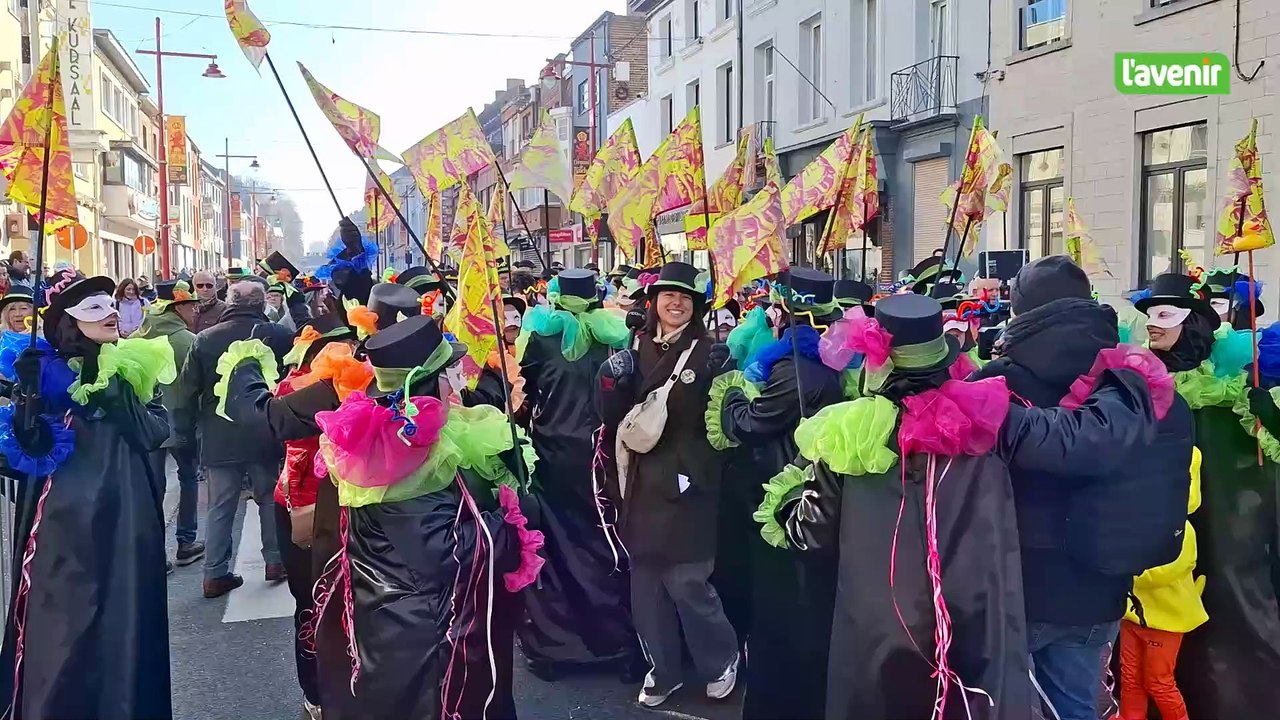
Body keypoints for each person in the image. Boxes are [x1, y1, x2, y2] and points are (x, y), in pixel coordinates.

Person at [772, 293, 1172, 720]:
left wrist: (791, 499)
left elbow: (809, 534)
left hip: (880, 630)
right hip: (975, 623)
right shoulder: (989, 417)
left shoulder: (843, 435)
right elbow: (1086, 439)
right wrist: (1126, 376)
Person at [972, 257, 1195, 720]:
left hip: (1019, 589)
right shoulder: (1134, 379)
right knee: (1077, 706)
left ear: (1020, 312)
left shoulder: (994, 385)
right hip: (1103, 584)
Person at [0, 268, 175, 719]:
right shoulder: (43, 372)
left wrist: (120, 398)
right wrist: (28, 408)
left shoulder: (132, 366)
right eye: (93, 308)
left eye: (111, 303)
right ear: (68, 322)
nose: (111, 313)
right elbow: (25, 454)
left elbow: (156, 431)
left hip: (128, 511)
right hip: (66, 521)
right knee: (67, 622)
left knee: (126, 615)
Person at [1133, 271, 1280, 719]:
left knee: (1228, 607)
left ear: (1193, 321)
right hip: (1165, 527)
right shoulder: (1139, 379)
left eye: (1165, 314)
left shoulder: (1232, 383)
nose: (1152, 324)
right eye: (1150, 315)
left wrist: (1266, 410)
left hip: (1230, 524)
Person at [707, 267, 846, 720]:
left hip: (782, 499)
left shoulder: (798, 368)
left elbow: (749, 424)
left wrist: (729, 390)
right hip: (808, 496)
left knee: (781, 610)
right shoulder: (827, 360)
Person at [598, 262, 739, 707]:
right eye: (667, 295)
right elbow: (612, 418)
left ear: (695, 306)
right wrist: (609, 381)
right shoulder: (634, 346)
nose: (675, 303)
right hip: (638, 480)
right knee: (647, 587)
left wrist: (723, 372)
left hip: (687, 484)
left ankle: (720, 660)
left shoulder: (708, 351)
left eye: (685, 297)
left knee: (688, 582)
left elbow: (720, 428)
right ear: (653, 302)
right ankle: (664, 669)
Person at [517, 269, 641, 682]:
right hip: (602, 456)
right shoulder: (617, 335)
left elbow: (523, 391)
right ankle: (618, 642)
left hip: (555, 457)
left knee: (555, 549)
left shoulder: (540, 337)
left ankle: (557, 645)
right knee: (606, 543)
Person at [174, 280, 294, 598]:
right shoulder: (280, 336)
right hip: (266, 426)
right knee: (270, 498)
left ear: (229, 301)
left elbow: (187, 391)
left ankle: (214, 573)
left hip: (219, 432)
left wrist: (184, 433)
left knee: (220, 504)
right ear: (261, 303)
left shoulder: (205, 339)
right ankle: (276, 561)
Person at [1117, 448, 1206, 720]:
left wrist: (1120, 572)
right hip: (1133, 616)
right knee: (1129, 677)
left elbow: (1163, 573)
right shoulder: (1132, 523)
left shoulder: (1181, 531)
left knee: (1158, 681)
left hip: (1166, 621)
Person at [138, 280, 205, 569]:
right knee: (188, 478)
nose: (195, 310)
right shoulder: (188, 341)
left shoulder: (138, 339)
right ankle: (185, 542)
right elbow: (200, 385)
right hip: (183, 423)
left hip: (149, 425)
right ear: (177, 308)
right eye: (191, 305)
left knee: (153, 489)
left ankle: (155, 554)